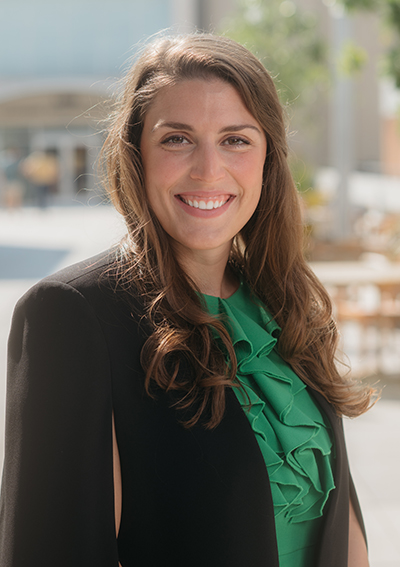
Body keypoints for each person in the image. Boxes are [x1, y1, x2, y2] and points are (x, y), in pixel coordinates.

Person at [0, 33, 373, 567]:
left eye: (236, 140)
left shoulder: (282, 303)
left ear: (268, 160)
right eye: (177, 139)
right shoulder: (74, 315)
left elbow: (343, 528)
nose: (207, 169)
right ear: (136, 153)